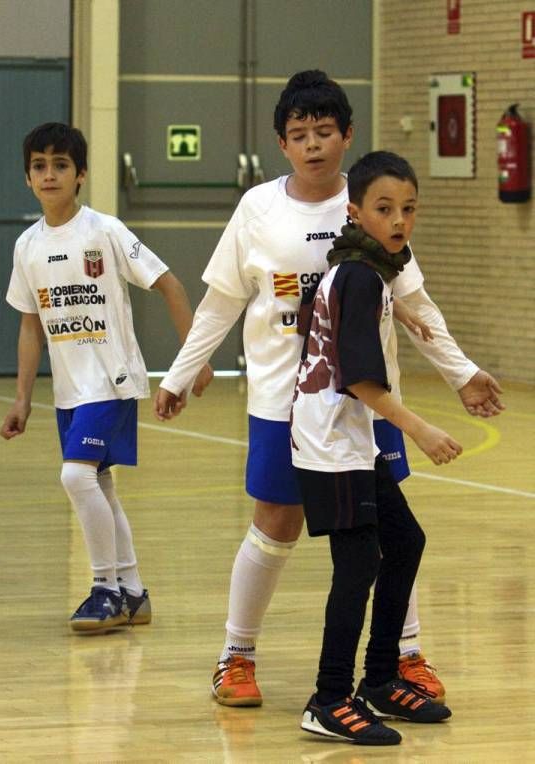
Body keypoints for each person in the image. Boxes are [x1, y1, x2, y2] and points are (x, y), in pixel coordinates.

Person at [153, 71, 503, 706]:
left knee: (390, 527)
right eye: (298, 134)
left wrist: (461, 373)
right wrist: (179, 373)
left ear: (348, 135)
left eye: (324, 131)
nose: (312, 144)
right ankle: (237, 655)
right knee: (276, 523)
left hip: (371, 402)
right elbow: (220, 304)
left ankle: (405, 654)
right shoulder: (258, 209)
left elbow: (416, 305)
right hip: (285, 406)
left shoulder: (376, 204)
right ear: (281, 144)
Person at [0, 122, 212, 634]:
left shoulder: (106, 231)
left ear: (81, 175)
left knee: (76, 476)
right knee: (98, 483)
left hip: (113, 381)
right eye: (39, 166)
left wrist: (195, 357)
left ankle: (105, 590)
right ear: (28, 178)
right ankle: (134, 591)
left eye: (61, 165)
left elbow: (172, 285)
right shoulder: (27, 246)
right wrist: (23, 398)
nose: (49, 174)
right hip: (71, 389)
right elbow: (31, 325)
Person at [294, 150, 458, 745]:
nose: (398, 221)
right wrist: (422, 429)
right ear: (355, 211)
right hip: (329, 442)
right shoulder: (360, 276)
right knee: (358, 564)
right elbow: (360, 380)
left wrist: (402, 316)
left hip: (350, 439)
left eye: (408, 209)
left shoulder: (365, 269)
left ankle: (382, 679)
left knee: (405, 542)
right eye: (385, 209)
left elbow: (363, 310)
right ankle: (329, 697)